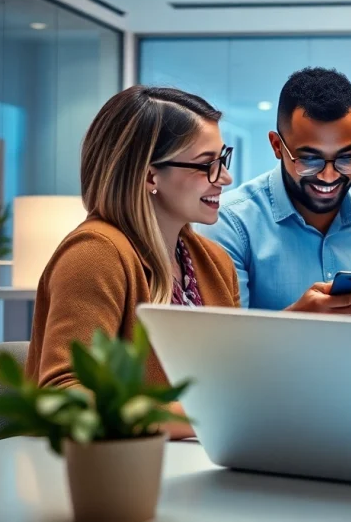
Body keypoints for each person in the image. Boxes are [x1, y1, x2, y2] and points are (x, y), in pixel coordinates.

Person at [25, 86, 239, 440]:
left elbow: (232, 380)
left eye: (223, 160)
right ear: (150, 176)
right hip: (104, 474)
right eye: (206, 166)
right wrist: (201, 416)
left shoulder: (214, 263)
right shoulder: (94, 255)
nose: (225, 178)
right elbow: (63, 397)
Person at [200, 67, 351, 314]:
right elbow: (221, 347)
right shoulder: (229, 224)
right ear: (277, 145)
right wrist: (300, 321)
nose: (329, 176)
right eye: (309, 160)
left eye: (346, 157)